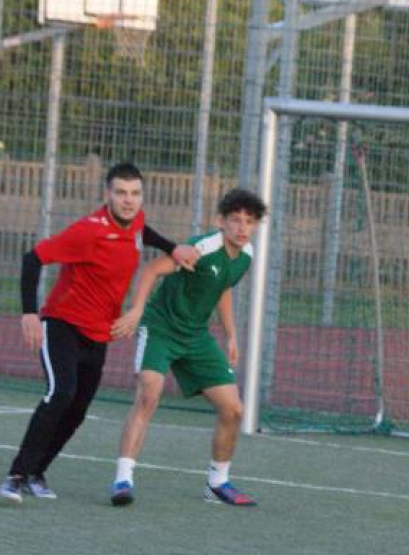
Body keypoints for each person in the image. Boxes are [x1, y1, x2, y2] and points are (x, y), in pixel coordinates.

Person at [1, 163, 197, 504]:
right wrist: (30, 313)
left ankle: (36, 473)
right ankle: (15, 477)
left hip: (98, 333)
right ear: (107, 194)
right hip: (62, 324)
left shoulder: (134, 220)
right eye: (120, 193)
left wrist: (172, 247)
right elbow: (32, 259)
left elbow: (142, 231)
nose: (128, 200)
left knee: (77, 409)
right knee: (60, 393)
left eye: (135, 193)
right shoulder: (87, 231)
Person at [107, 188, 266, 507]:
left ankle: (217, 484)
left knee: (233, 409)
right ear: (220, 221)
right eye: (235, 220)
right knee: (149, 394)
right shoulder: (202, 248)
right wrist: (137, 310)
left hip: (195, 336)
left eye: (249, 221)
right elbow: (152, 270)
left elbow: (222, 288)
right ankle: (123, 479)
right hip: (162, 327)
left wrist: (231, 334)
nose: (242, 228)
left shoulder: (245, 256)